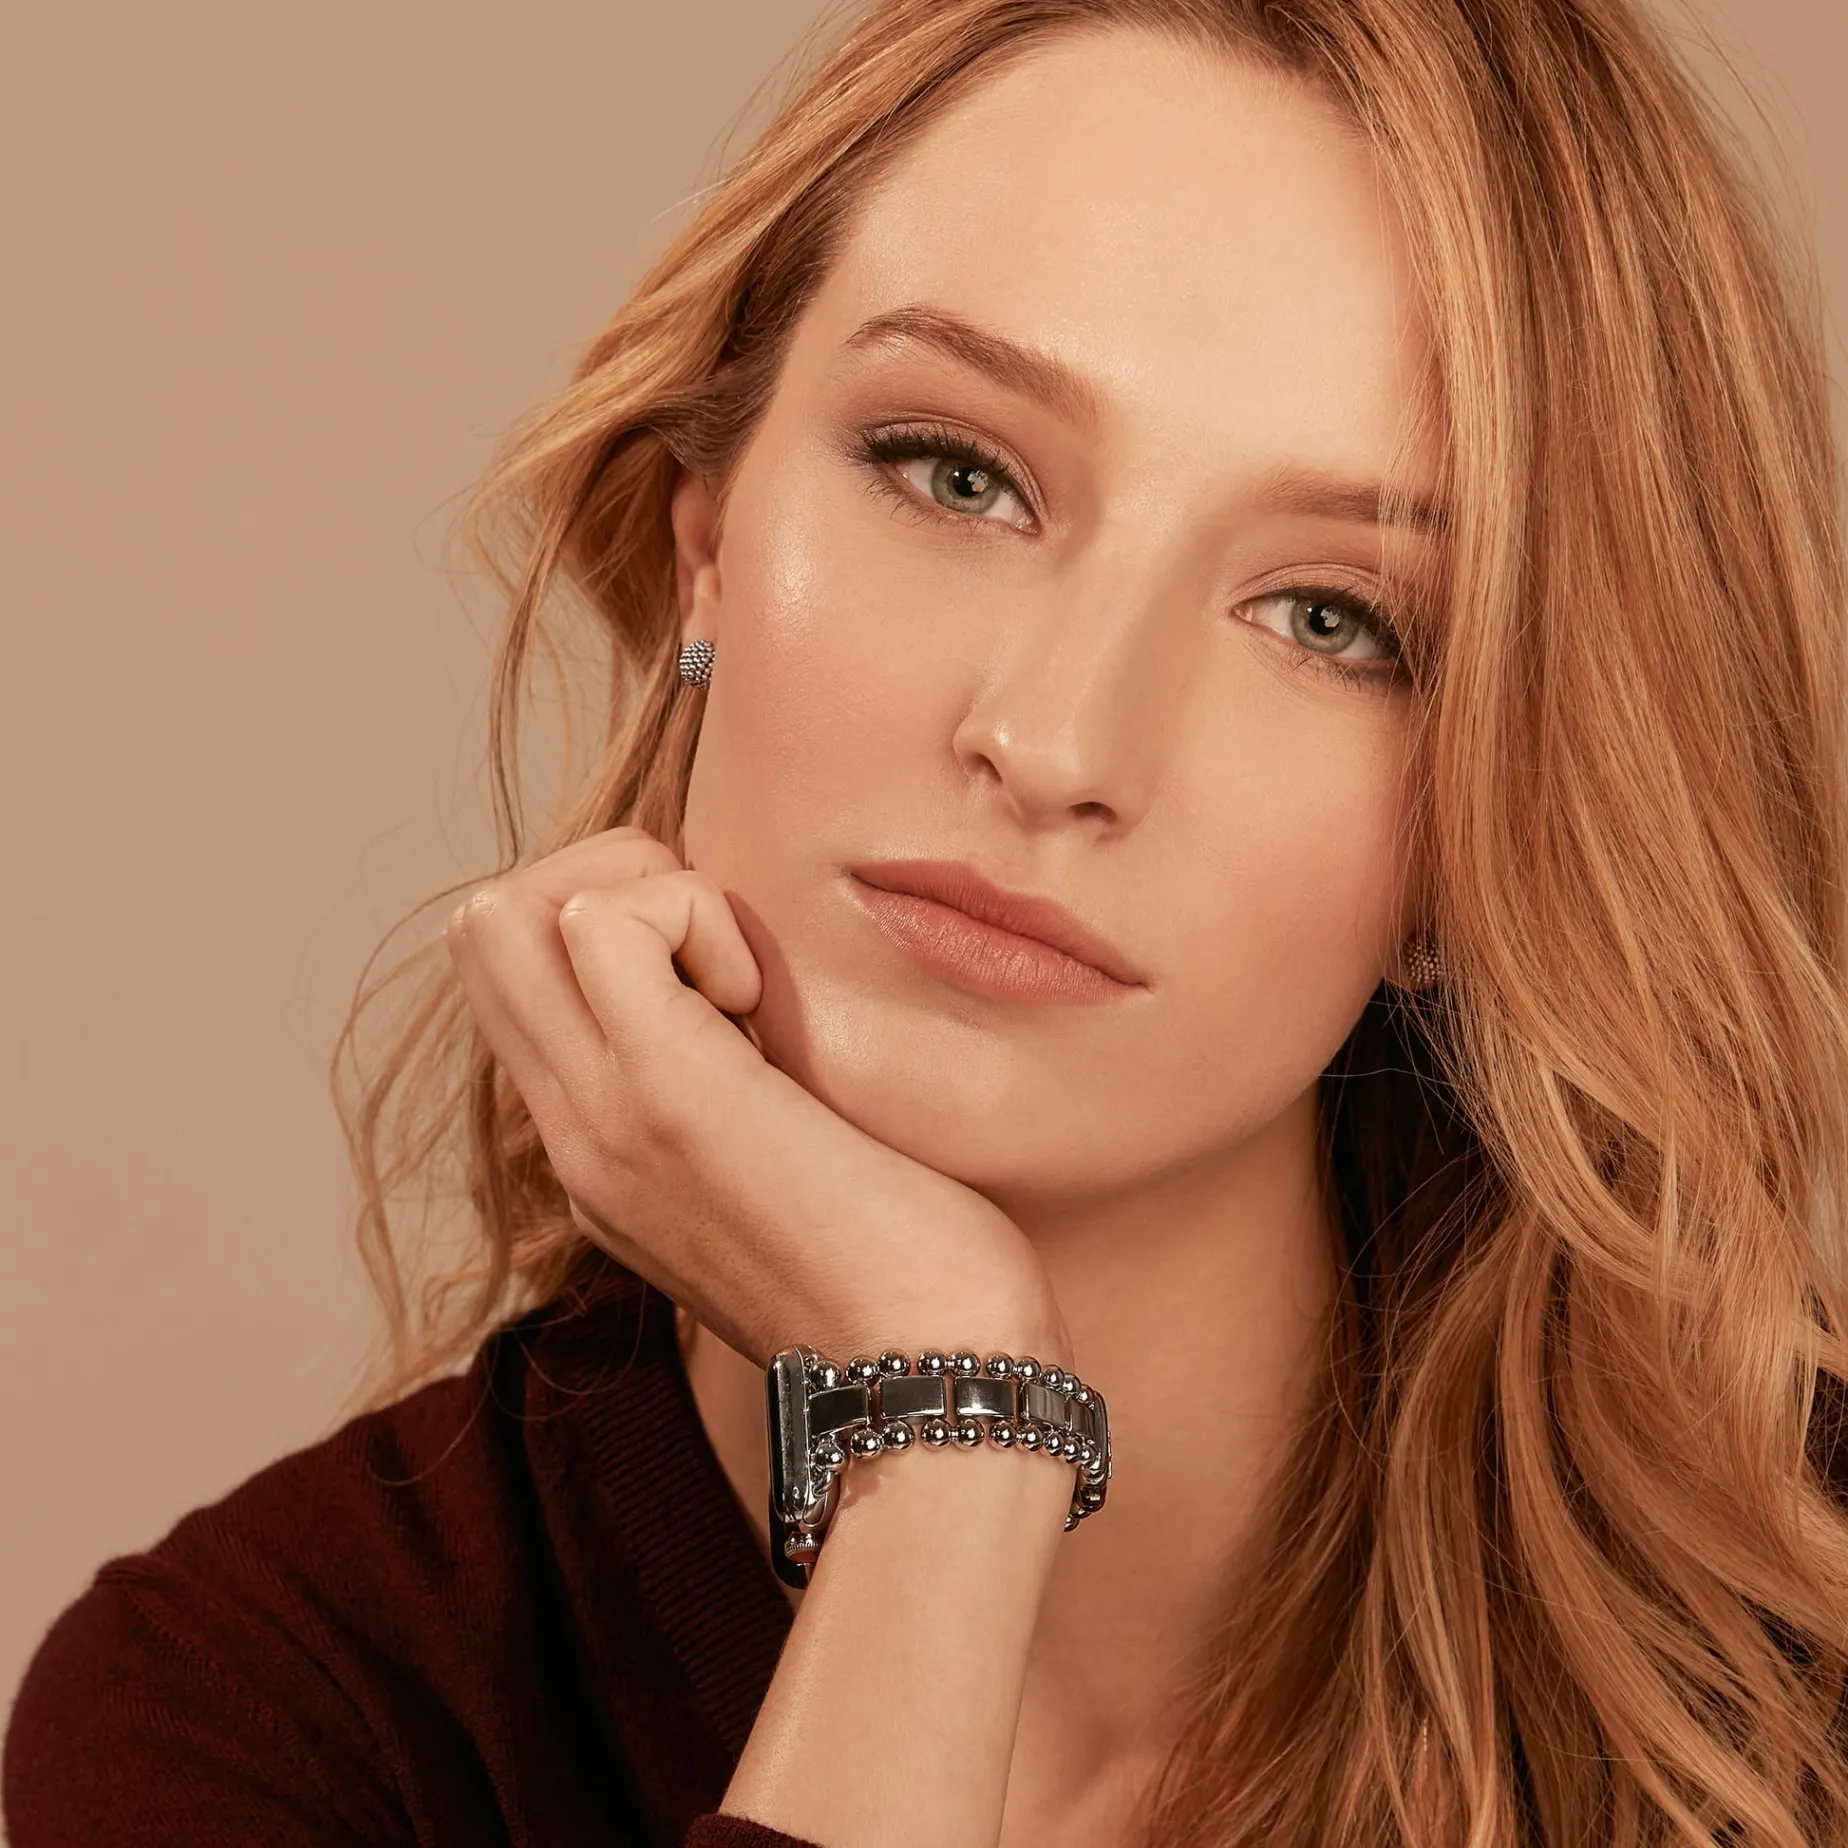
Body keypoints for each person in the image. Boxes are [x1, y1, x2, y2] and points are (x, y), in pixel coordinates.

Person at [9, 0, 1848, 1841]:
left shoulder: (1805, 1649)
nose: (1055, 745)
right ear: (705, 546)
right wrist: (947, 1444)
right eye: (957, 475)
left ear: (1510, 817)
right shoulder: (267, 1727)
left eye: (1333, 620)